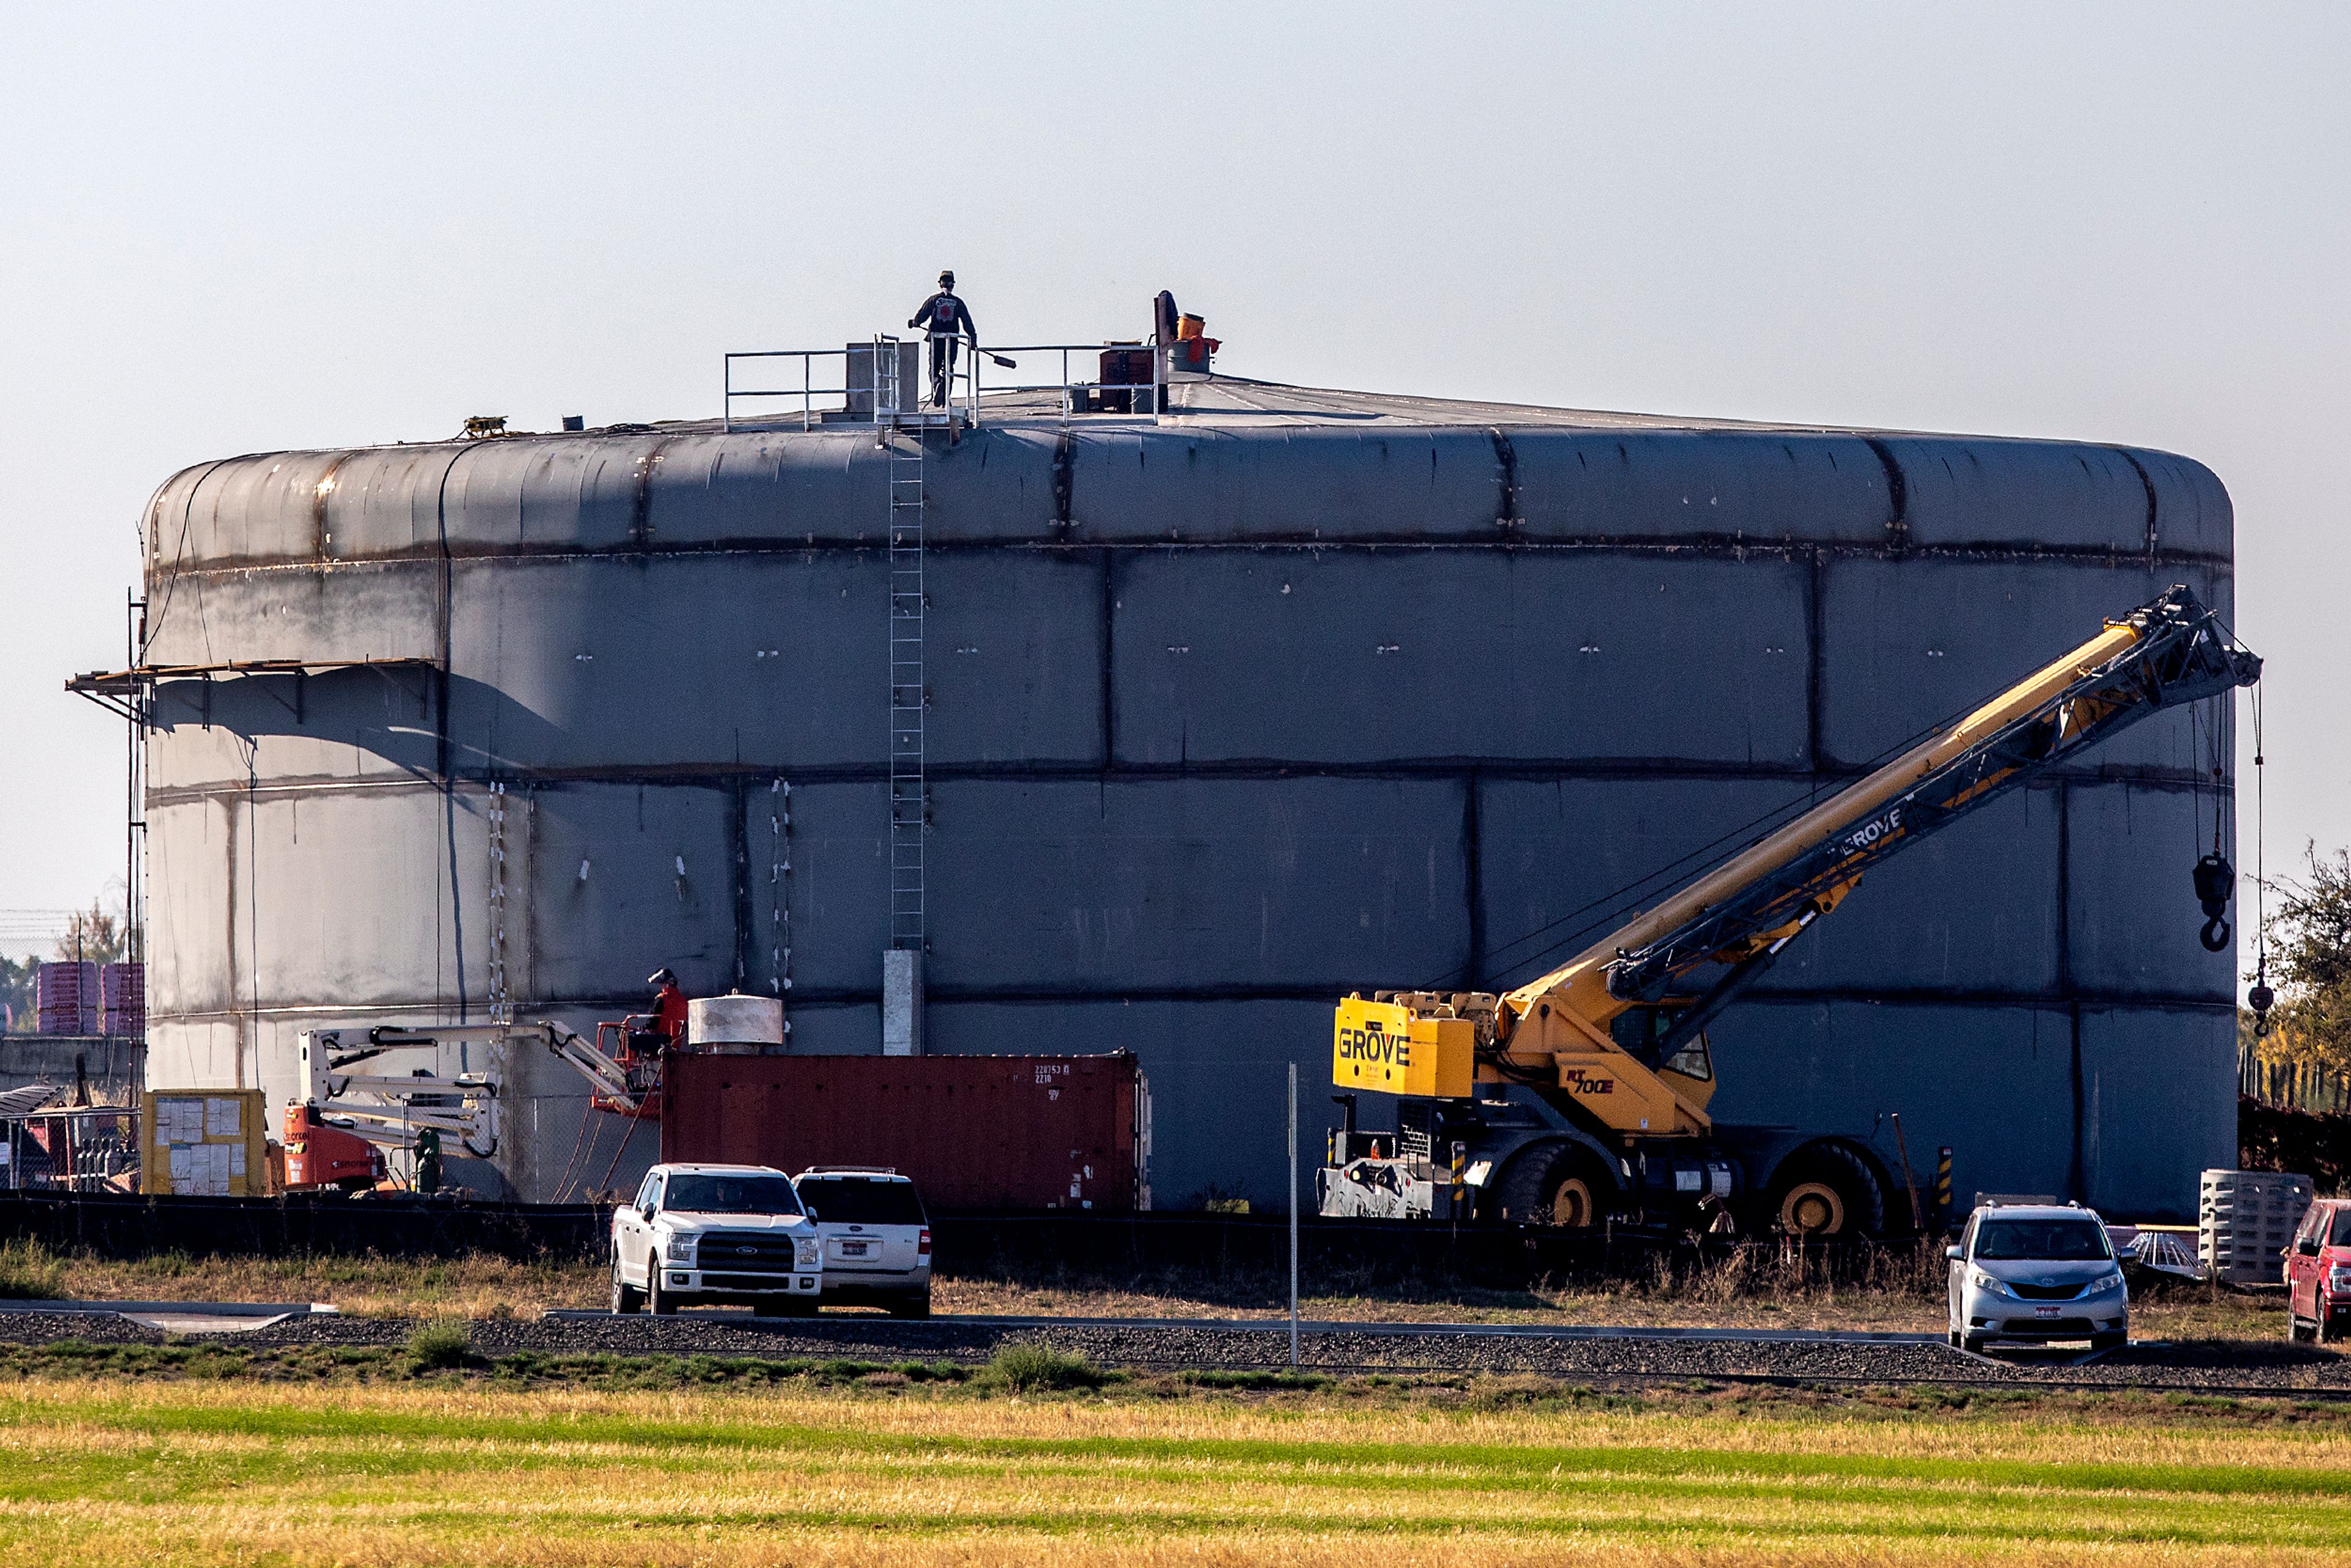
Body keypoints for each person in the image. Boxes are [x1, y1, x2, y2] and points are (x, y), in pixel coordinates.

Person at [909, 270, 978, 408]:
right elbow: (968, 323)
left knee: (934, 369)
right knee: (949, 369)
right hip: (952, 341)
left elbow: (921, 316)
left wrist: (914, 323)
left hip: (936, 340)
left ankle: (937, 383)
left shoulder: (934, 300)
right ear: (953, 284)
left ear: (940, 284)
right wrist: (973, 340)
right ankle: (946, 397)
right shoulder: (958, 303)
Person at [634, 967, 687, 1057]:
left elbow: (652, 1022)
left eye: (661, 985)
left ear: (666, 985)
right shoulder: (684, 1001)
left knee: (633, 1038)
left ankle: (633, 1066)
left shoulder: (662, 999)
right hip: (676, 1044)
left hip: (660, 1043)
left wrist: (644, 1028)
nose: (661, 987)